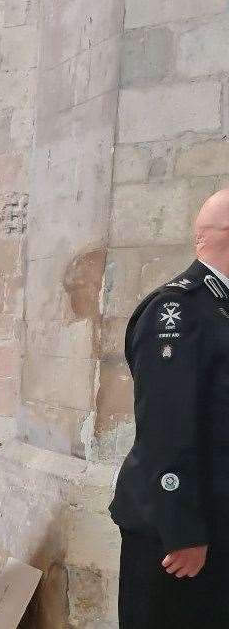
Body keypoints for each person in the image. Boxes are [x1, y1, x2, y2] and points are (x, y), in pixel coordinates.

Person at [111, 188, 229, 628]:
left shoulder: (220, 307)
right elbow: (167, 429)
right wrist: (184, 533)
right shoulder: (177, 310)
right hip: (178, 531)